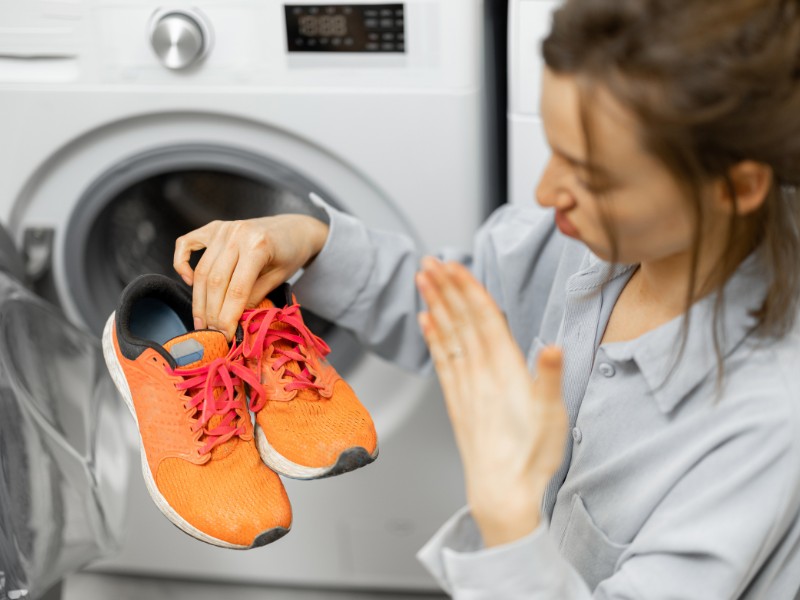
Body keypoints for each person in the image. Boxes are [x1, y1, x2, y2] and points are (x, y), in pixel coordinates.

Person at [173, 0, 800, 596]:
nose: (548, 189)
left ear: (735, 186)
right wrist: (311, 243)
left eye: (594, 176)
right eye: (556, 151)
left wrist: (507, 520)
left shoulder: (766, 428)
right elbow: (460, 308)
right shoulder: (603, 238)